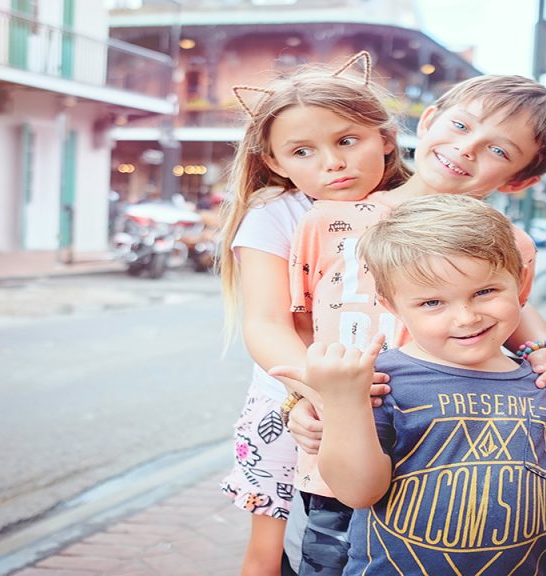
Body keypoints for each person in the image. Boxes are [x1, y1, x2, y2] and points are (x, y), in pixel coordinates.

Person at [273, 194, 546, 574]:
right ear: (392, 305)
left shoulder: (545, 381)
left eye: (485, 291)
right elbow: (358, 491)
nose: (466, 317)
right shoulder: (381, 382)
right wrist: (344, 402)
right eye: (432, 302)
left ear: (520, 285)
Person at [281, 74, 546, 575]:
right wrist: (303, 396)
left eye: (497, 148)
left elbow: (509, 330)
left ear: (521, 180)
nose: (467, 148)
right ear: (428, 121)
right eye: (460, 124)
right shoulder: (329, 221)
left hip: (453, 471)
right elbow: (303, 330)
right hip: (341, 463)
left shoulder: (513, 247)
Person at [216, 52, 410, 575]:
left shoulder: (414, 209)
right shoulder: (275, 216)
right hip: (290, 404)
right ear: (276, 162)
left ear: (385, 138)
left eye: (347, 140)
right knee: (268, 552)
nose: (332, 162)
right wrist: (320, 389)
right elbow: (266, 323)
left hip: (399, 404)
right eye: (303, 150)